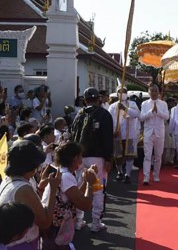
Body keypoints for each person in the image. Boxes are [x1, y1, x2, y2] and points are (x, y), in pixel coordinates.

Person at [0, 140, 61, 250]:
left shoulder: (8, 179)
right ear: (32, 166)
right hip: (21, 244)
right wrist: (53, 189)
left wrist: (41, 187)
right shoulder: (23, 189)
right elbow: (45, 222)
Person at [71, 87, 113, 233]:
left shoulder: (79, 114)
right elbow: (108, 138)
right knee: (97, 190)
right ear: (99, 99)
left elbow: (73, 135)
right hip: (97, 158)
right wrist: (108, 158)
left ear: (84, 100)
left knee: (79, 188)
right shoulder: (104, 114)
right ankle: (96, 223)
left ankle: (78, 220)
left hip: (79, 157)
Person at [41, 142, 97, 249]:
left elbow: (75, 197)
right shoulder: (66, 177)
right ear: (75, 158)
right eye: (81, 155)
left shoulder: (63, 173)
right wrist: (90, 184)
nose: (82, 159)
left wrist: (85, 181)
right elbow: (85, 205)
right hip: (55, 230)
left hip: (53, 227)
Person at [108, 86, 140, 183]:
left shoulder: (132, 104)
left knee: (129, 155)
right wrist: (113, 131)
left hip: (129, 134)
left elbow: (136, 114)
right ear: (117, 93)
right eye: (120, 92)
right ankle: (120, 172)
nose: (123, 93)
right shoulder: (112, 106)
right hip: (117, 134)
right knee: (118, 156)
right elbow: (110, 120)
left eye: (124, 91)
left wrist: (125, 109)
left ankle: (128, 174)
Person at [140, 84, 169, 185]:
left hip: (159, 132)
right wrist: (150, 112)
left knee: (158, 156)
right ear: (149, 92)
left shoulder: (163, 104)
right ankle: (146, 177)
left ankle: (156, 175)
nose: (154, 93)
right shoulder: (144, 104)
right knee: (147, 155)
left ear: (158, 92)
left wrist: (158, 111)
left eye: (155, 91)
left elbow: (166, 117)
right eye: (152, 91)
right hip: (148, 132)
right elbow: (142, 117)